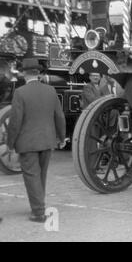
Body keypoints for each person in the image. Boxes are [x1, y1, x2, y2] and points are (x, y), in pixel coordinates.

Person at [6, 58, 66, 223]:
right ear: (38, 73)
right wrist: (61, 137)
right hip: (47, 141)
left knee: (32, 176)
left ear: (24, 74)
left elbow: (15, 122)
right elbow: (59, 117)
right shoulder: (50, 91)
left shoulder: (20, 93)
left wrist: (10, 144)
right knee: (41, 176)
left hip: (27, 143)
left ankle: (38, 212)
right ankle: (38, 204)